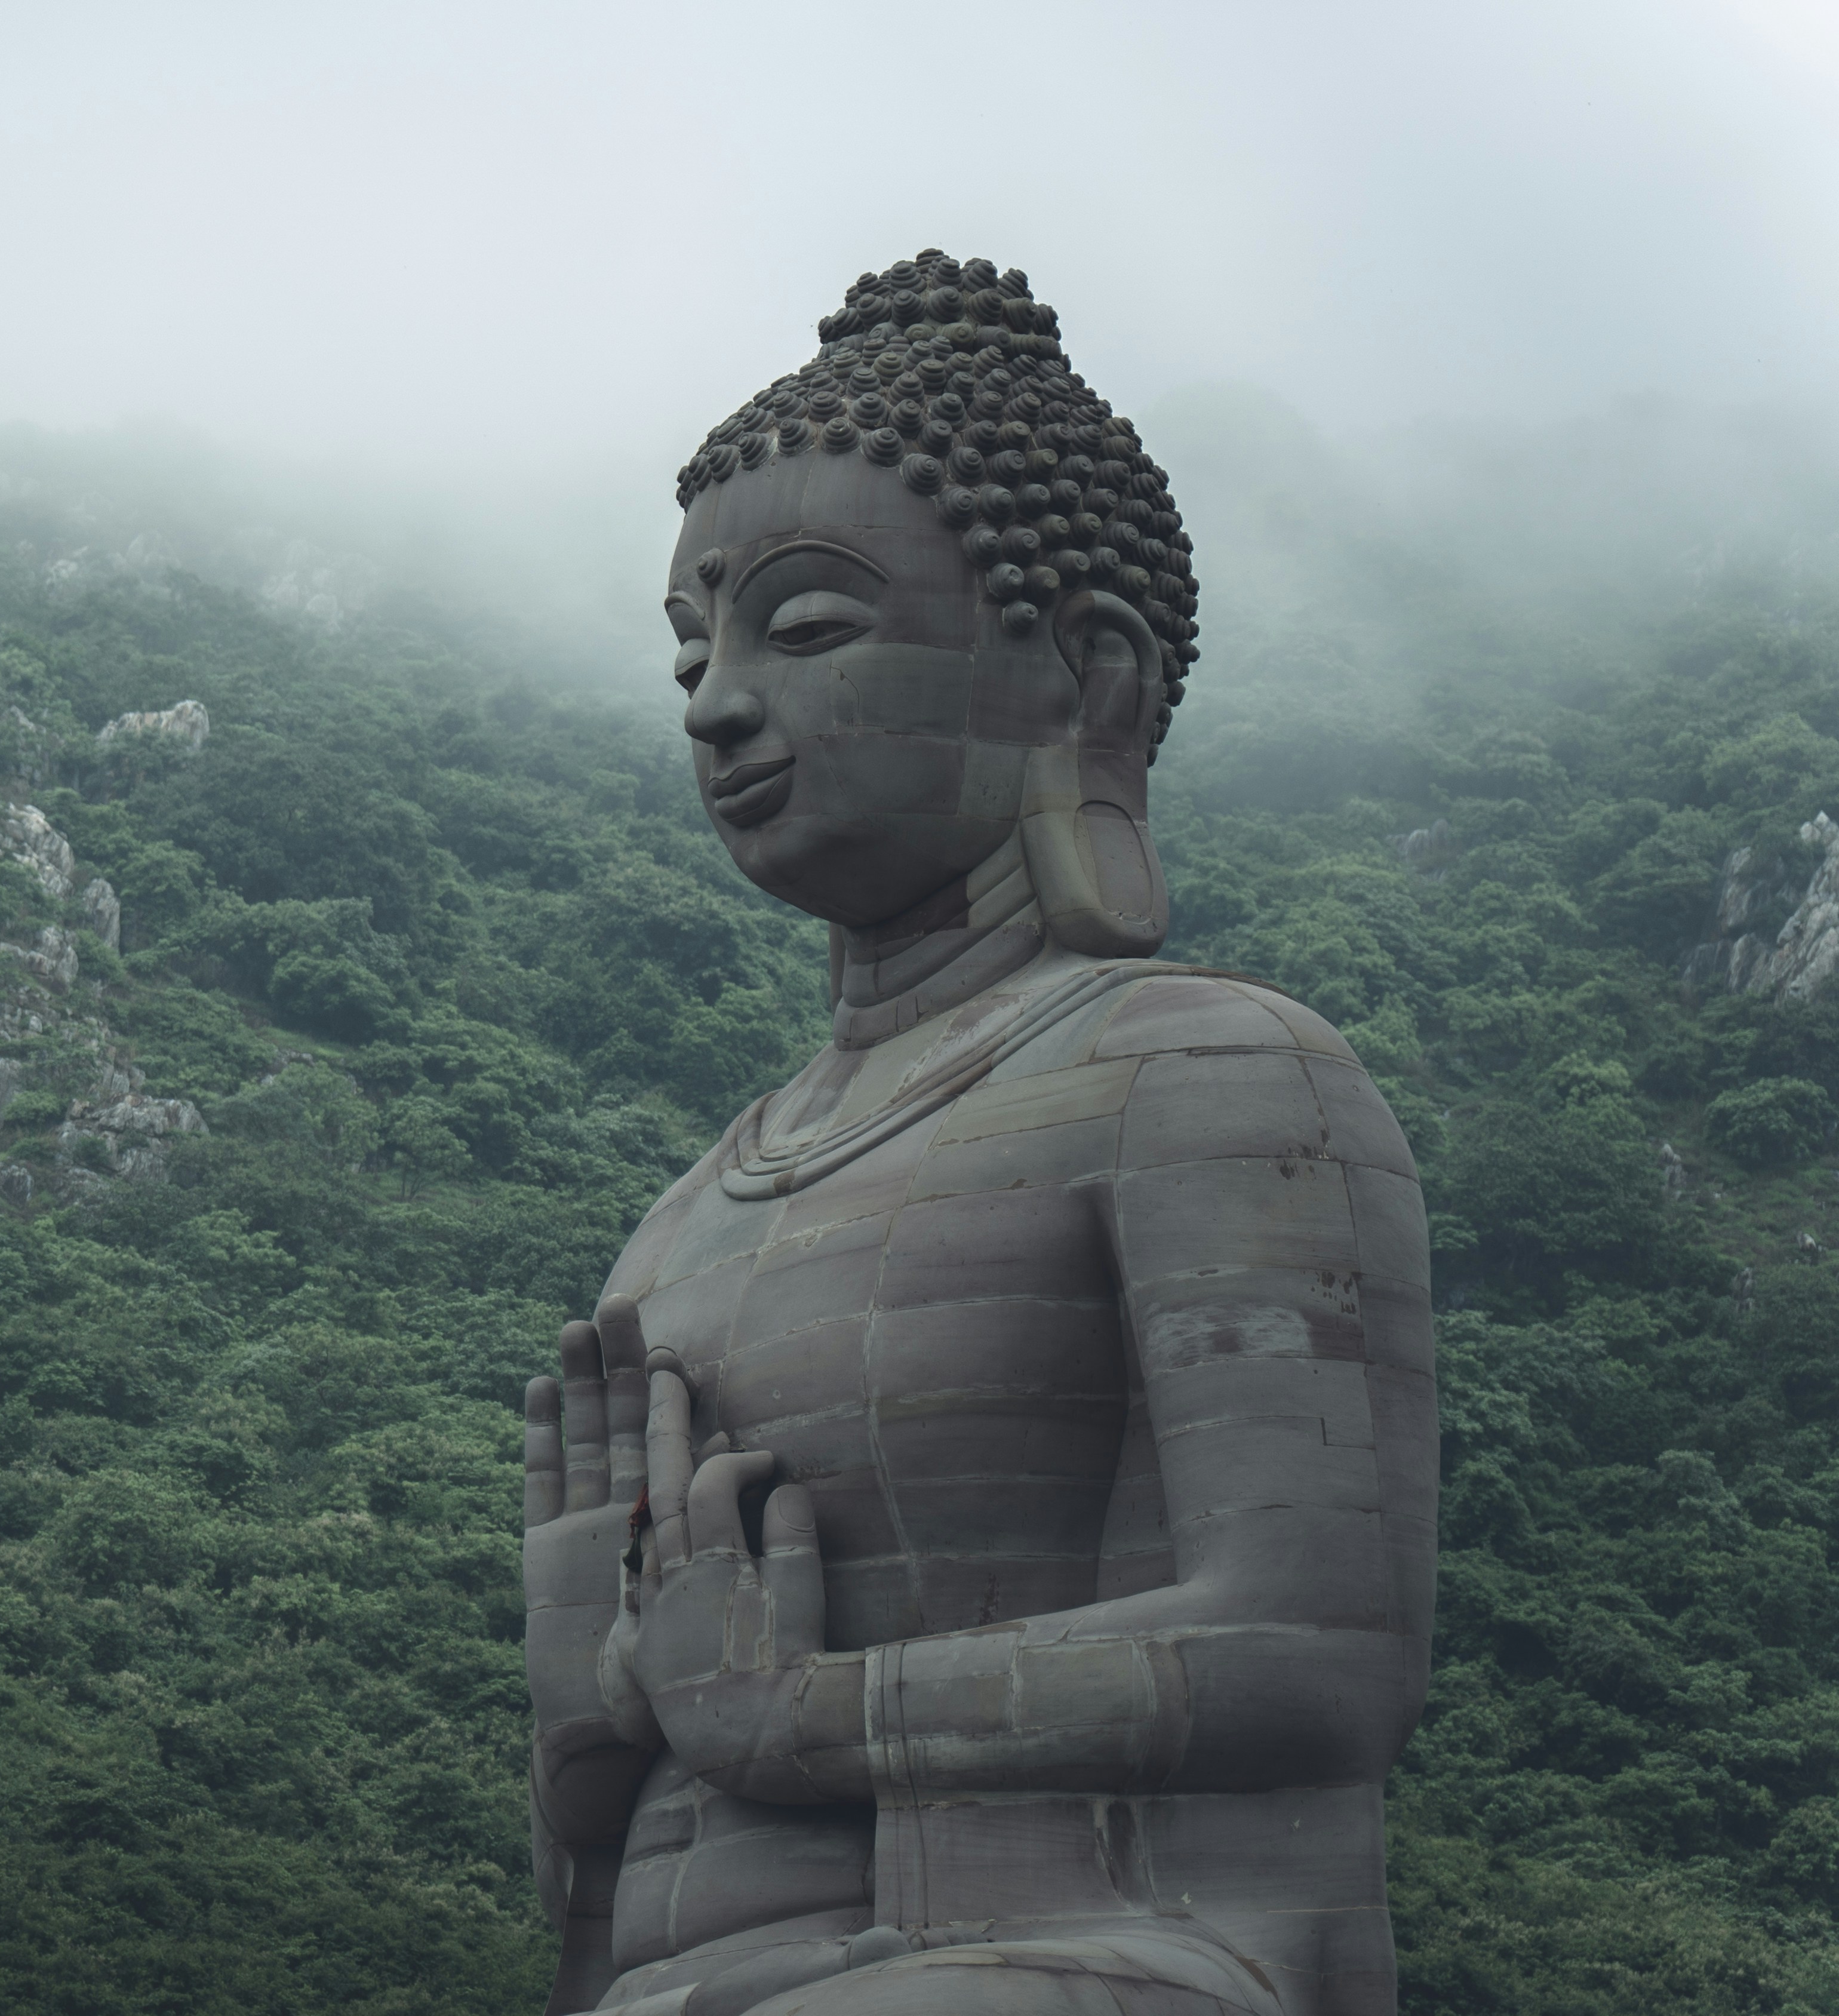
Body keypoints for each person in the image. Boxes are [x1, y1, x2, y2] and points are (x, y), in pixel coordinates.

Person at [521, 253, 1434, 2016]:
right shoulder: (680, 1220)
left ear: (1081, 675)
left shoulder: (1210, 1073)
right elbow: (611, 1848)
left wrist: (806, 1715)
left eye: (803, 627)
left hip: (1083, 1949)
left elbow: (1323, 1658)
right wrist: (585, 1712)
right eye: (691, 649)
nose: (717, 702)